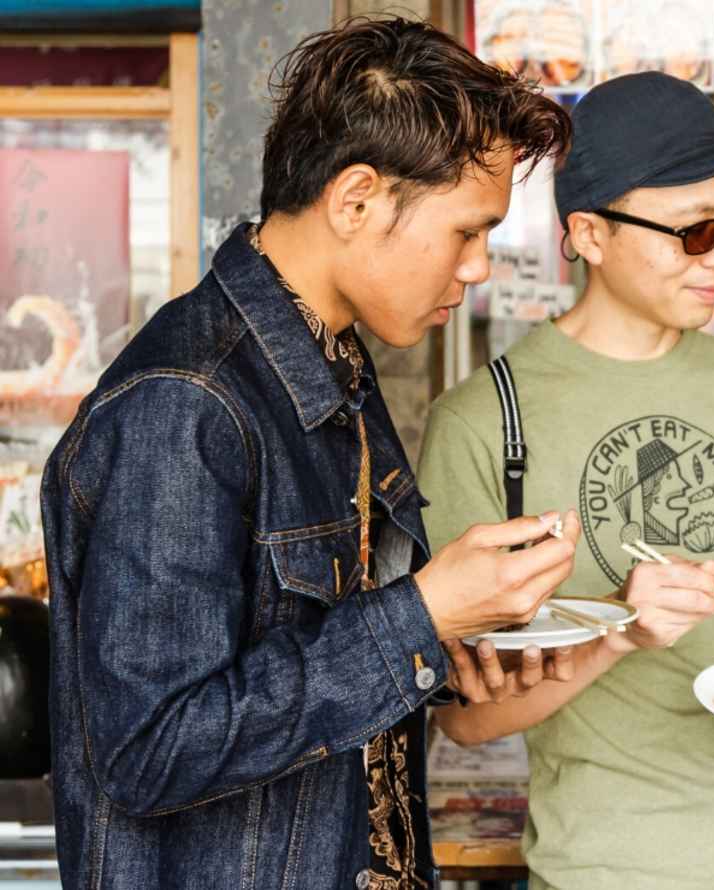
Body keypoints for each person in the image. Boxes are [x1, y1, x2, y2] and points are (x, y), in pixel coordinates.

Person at [41, 18, 577, 890]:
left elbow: (310, 653)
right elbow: (150, 751)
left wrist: (454, 646)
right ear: (355, 198)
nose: (478, 268)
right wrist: (421, 617)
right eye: (466, 232)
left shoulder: (332, 361)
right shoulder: (189, 402)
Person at [418, 71, 714, 890]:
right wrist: (620, 636)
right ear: (589, 234)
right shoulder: (489, 422)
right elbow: (465, 718)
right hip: (615, 865)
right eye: (694, 232)